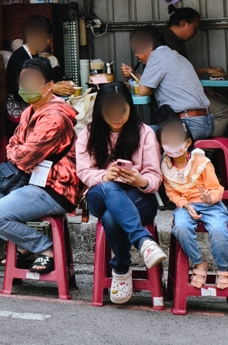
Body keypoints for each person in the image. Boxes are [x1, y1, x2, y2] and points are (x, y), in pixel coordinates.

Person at [0, 58, 80, 273]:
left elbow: (26, 155)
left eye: (33, 80)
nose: (27, 86)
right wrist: (20, 155)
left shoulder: (56, 117)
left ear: (49, 85)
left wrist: (21, 156)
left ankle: (46, 248)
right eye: (23, 81)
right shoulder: (29, 111)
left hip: (55, 188)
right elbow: (13, 146)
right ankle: (26, 245)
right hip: (27, 182)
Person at [75, 82, 167, 304]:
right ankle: (144, 241)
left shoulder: (144, 133)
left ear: (130, 108)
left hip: (138, 198)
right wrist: (105, 177)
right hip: (101, 194)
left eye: (122, 110)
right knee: (109, 188)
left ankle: (121, 269)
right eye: (110, 111)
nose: (116, 116)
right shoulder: (88, 134)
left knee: (111, 217)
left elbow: (155, 177)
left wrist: (140, 180)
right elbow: (84, 172)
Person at [160, 115, 228, 289]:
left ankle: (223, 268)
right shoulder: (165, 167)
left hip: (211, 206)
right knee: (181, 228)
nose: (171, 143)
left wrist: (209, 198)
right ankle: (199, 263)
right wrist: (185, 205)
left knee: (218, 230)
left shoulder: (201, 162)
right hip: (186, 207)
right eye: (166, 140)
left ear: (187, 144)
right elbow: (172, 193)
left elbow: (217, 189)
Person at [122, 26, 213, 139]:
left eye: (137, 50)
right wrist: (134, 74)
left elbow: (143, 90)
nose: (136, 55)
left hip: (188, 124)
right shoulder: (172, 55)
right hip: (205, 122)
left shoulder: (156, 57)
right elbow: (151, 83)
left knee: (141, 136)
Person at [161, 6, 228, 137]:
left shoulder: (172, 40)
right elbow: (179, 75)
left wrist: (202, 89)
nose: (195, 33)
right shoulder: (167, 43)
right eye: (195, 28)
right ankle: (204, 152)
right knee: (223, 111)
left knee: (224, 103)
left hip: (181, 94)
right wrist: (206, 70)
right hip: (176, 99)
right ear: (183, 23)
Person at [6, 15, 74, 119]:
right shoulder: (19, 58)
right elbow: (20, 92)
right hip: (18, 111)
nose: (47, 42)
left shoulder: (35, 56)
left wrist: (56, 85)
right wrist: (52, 89)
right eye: (45, 37)